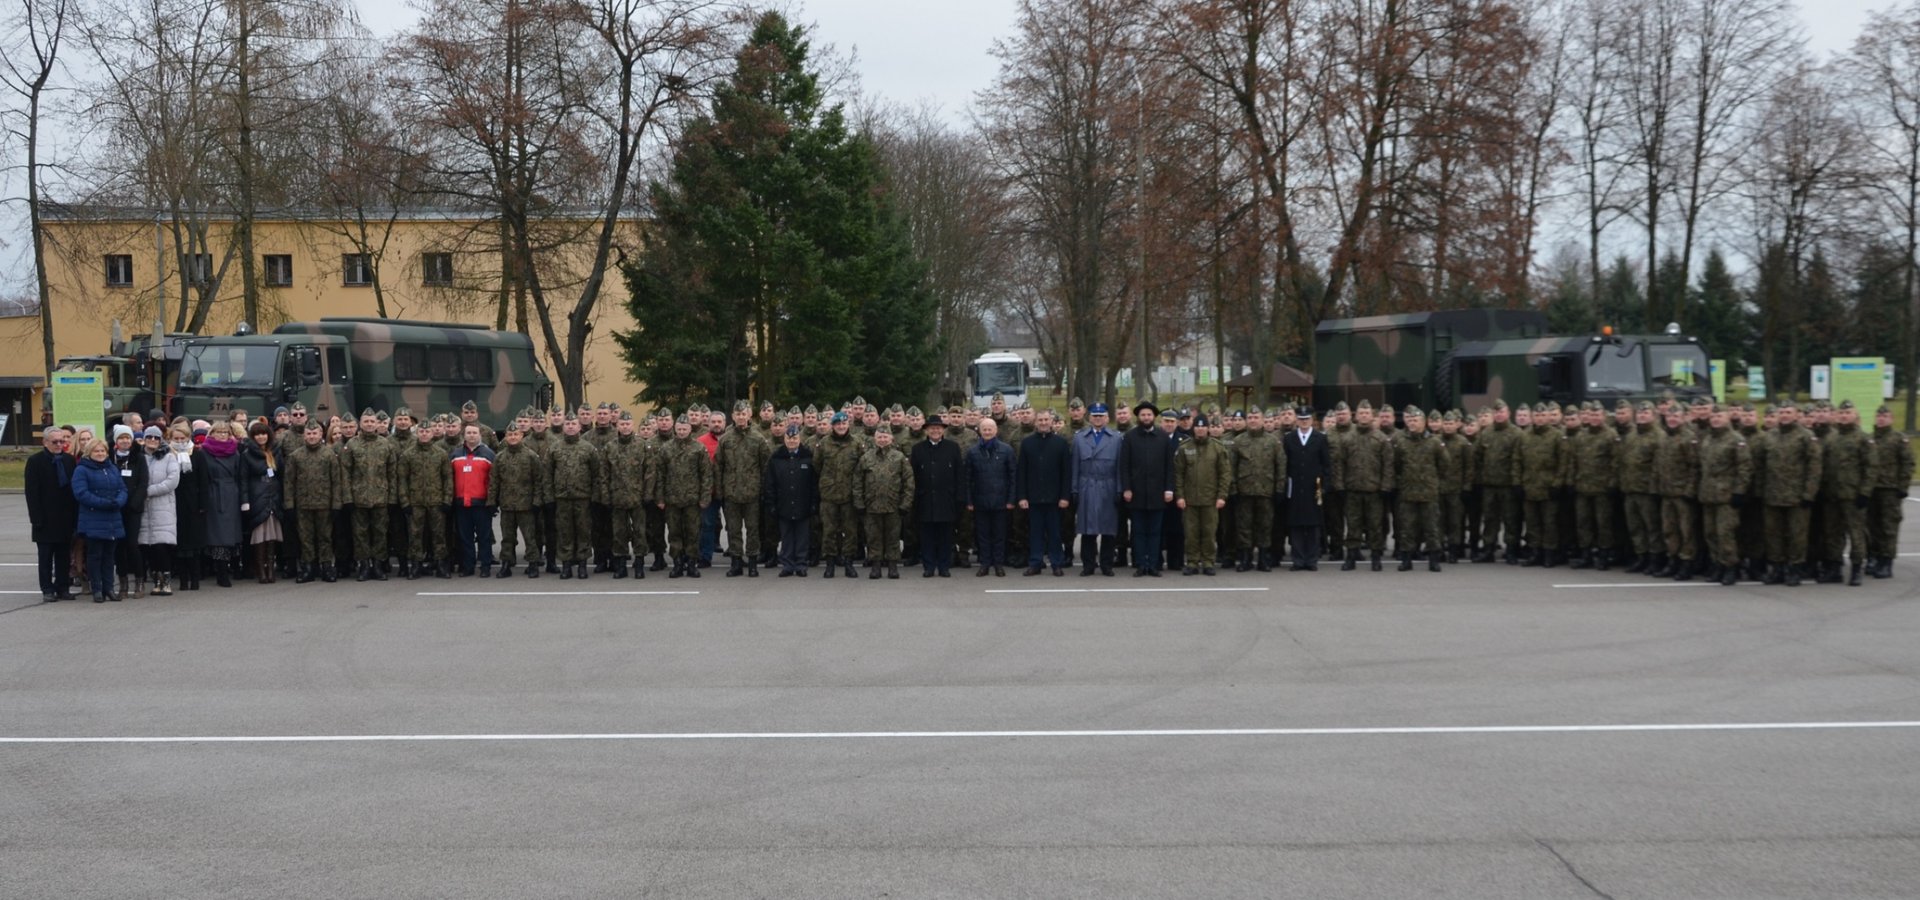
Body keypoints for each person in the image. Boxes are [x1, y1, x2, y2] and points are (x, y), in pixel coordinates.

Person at [283, 421, 344, 583]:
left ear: (320, 435)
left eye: (314, 433)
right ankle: (308, 567)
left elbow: (336, 481)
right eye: (309, 434)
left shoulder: (328, 454)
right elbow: (289, 482)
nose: (312, 436)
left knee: (325, 537)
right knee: (305, 537)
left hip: (325, 504)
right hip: (303, 505)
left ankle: (326, 567)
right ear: (305, 435)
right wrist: (289, 505)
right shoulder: (296, 456)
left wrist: (337, 504)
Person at [657, 414, 716, 579]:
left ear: (690, 429)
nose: (682, 432)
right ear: (675, 429)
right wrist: (660, 498)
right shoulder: (666, 448)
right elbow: (660, 475)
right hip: (672, 499)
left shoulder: (698, 448)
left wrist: (705, 498)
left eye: (684, 429)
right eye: (679, 429)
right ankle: (677, 564)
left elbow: (706, 475)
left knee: (693, 533)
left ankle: (691, 563)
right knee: (674, 533)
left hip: (692, 499)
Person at [717, 401, 771, 578]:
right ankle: (736, 563)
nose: (741, 417)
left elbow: (765, 467)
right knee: (733, 530)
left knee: (753, 529)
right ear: (733, 416)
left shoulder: (758, 438)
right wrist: (720, 490)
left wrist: (763, 491)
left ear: (749, 415)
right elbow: (719, 466)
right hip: (731, 493)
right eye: (737, 414)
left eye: (744, 414)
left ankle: (753, 563)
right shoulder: (725, 439)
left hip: (752, 493)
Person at [490, 421, 549, 579]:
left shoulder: (530, 456)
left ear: (521, 436)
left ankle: (533, 564)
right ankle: (506, 564)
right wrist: (492, 502)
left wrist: (537, 501)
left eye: (516, 434)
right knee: (507, 538)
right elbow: (494, 482)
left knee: (530, 537)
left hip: (526, 505)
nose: (513, 437)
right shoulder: (500, 457)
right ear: (506, 437)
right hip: (507, 504)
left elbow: (538, 480)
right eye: (510, 435)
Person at [73, 437, 129, 603]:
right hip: (93, 519)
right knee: (95, 555)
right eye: (96, 451)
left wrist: (119, 501)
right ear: (89, 452)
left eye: (102, 450)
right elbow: (81, 493)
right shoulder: (81, 470)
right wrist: (103, 503)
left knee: (109, 556)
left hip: (113, 518)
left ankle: (109, 588)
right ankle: (97, 589)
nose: (100, 453)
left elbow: (122, 488)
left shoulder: (111, 468)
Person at [1016, 410, 1071, 576]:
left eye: (1046, 419)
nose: (1043, 422)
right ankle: (1035, 563)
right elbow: (1022, 472)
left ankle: (1056, 563)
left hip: (1055, 498)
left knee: (1055, 533)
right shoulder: (1027, 443)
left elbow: (1066, 473)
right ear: (1035, 422)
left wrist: (1064, 496)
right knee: (1035, 533)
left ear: (1052, 422)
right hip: (1033, 497)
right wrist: (1022, 496)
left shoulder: (1061, 443)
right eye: (1040, 420)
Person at [910, 414, 966, 577]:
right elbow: (912, 476)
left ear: (943, 430)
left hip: (946, 499)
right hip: (925, 499)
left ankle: (944, 566)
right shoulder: (918, 449)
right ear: (926, 430)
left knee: (945, 536)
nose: (935, 430)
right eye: (932, 428)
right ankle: (928, 566)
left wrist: (959, 498)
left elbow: (959, 475)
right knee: (926, 536)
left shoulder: (953, 447)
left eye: (939, 428)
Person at [25, 427, 77, 602]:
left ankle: (63, 587)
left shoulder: (69, 461)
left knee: (63, 556)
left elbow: (73, 491)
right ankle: (47, 588)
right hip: (45, 518)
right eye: (55, 442)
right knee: (46, 557)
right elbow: (32, 493)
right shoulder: (35, 462)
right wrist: (36, 519)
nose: (59, 445)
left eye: (62, 441)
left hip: (65, 517)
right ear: (45, 442)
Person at [1173, 415, 1230, 576]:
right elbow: (1179, 474)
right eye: (1197, 426)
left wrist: (1221, 496)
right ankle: (1192, 562)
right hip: (1190, 499)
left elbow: (1224, 474)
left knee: (1209, 532)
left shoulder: (1218, 448)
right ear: (1194, 428)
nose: (1200, 429)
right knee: (1191, 533)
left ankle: (1208, 562)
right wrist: (1180, 496)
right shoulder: (1184, 447)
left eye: (1203, 426)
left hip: (1210, 499)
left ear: (1208, 428)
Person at [855, 425, 913, 579]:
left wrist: (905, 503)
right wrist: (859, 503)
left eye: (885, 437)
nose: (882, 440)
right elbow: (858, 482)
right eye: (879, 437)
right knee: (873, 537)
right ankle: (876, 566)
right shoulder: (866, 457)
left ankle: (893, 566)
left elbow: (908, 482)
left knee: (893, 537)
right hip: (871, 506)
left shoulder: (899, 457)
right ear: (875, 438)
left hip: (893, 505)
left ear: (891, 439)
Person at [1070, 404, 1122, 576]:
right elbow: (1075, 466)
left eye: (1101, 416)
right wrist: (1075, 489)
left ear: (1107, 418)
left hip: (1108, 485)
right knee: (1088, 529)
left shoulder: (1116, 438)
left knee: (1108, 529)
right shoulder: (1079, 438)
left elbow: (1120, 467)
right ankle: (1088, 565)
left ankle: (1107, 565)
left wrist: (1119, 489)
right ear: (1090, 418)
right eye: (1095, 416)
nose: (1098, 419)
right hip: (1087, 486)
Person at [399, 422, 455, 579]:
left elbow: (447, 478)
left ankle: (441, 565)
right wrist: (405, 502)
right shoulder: (408, 454)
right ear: (417, 433)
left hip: (436, 502)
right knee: (415, 535)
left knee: (439, 534)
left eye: (427, 431)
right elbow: (402, 479)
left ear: (432, 433)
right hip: (415, 502)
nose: (424, 434)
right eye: (421, 431)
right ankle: (416, 565)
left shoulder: (441, 453)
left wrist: (447, 500)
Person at [603, 412, 655, 580]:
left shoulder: (642, 446)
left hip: (637, 498)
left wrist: (648, 495)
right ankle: (620, 566)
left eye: (627, 424)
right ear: (617, 425)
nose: (625, 427)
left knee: (640, 532)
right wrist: (606, 496)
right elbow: (603, 475)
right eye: (622, 424)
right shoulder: (610, 447)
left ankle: (639, 565)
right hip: (617, 497)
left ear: (632, 425)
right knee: (619, 533)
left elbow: (650, 472)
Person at [965, 416, 1017, 577]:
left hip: (1001, 501)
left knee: (1000, 535)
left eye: (990, 429)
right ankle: (985, 564)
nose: (987, 432)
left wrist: (1010, 500)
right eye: (984, 429)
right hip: (980, 501)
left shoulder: (1006, 450)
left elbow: (1013, 477)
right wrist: (969, 501)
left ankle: (998, 564)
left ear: (996, 430)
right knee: (983, 535)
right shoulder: (972, 452)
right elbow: (967, 479)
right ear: (980, 431)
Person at [763, 425, 818, 576]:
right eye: (788, 438)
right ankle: (787, 565)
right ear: (784, 439)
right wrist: (771, 504)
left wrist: (814, 503)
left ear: (799, 439)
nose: (792, 441)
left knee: (802, 537)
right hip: (783, 504)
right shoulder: (776, 458)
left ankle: (801, 564)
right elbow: (770, 484)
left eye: (794, 438)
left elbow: (814, 484)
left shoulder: (808, 457)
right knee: (786, 536)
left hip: (803, 504)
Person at [814, 412, 864, 578]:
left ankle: (848, 563)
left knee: (850, 531)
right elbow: (817, 466)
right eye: (837, 424)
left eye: (843, 424)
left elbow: (861, 468)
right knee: (829, 531)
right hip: (829, 495)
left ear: (848, 425)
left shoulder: (856, 443)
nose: (841, 427)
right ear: (832, 426)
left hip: (849, 495)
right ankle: (830, 564)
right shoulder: (824, 444)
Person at [199, 422, 246, 588]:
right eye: (218, 432)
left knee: (231, 535)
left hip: (231, 494)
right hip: (214, 494)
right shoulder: (204, 451)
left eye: (225, 432)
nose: (222, 435)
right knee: (217, 535)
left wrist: (242, 498)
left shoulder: (234, 451)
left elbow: (240, 475)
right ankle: (221, 572)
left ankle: (232, 567)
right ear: (212, 433)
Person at [1284, 407, 1331, 571]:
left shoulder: (1320, 438)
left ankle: (1311, 560)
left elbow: (1326, 465)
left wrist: (1324, 487)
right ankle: (1298, 559)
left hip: (1314, 488)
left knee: (1313, 525)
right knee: (1296, 525)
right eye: (1301, 419)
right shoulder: (1289, 438)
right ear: (1297, 420)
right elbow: (1285, 464)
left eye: (1307, 419)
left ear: (1312, 420)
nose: (1304, 422)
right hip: (1295, 487)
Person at [138, 427, 182, 596]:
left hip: (163, 507)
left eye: (156, 437)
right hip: (144, 510)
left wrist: (148, 491)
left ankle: (166, 582)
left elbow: (172, 481)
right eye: (149, 437)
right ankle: (156, 581)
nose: (152, 440)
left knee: (161, 547)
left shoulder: (169, 457)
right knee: (148, 547)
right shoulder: (139, 457)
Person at [108, 424, 150, 598]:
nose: (125, 441)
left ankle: (139, 582)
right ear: (116, 441)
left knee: (132, 544)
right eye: (121, 438)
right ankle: (123, 582)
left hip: (133, 508)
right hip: (116, 508)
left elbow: (143, 482)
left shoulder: (139, 458)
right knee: (119, 546)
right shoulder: (110, 458)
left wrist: (135, 502)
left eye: (127, 438)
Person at [242, 421, 286, 584]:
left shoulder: (276, 451)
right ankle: (261, 570)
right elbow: (243, 479)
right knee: (260, 536)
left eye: (264, 433)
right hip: (257, 497)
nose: (261, 437)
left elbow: (281, 475)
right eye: (257, 434)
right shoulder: (247, 454)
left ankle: (271, 570)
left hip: (274, 496)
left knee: (272, 538)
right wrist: (245, 501)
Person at [451, 424, 497, 577]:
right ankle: (468, 566)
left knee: (484, 537)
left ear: (480, 435)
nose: (471, 435)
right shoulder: (455, 454)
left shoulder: (488, 454)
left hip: (482, 504)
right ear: (464, 435)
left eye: (474, 433)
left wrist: (492, 502)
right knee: (465, 537)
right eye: (468, 433)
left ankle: (485, 566)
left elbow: (494, 480)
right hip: (461, 503)